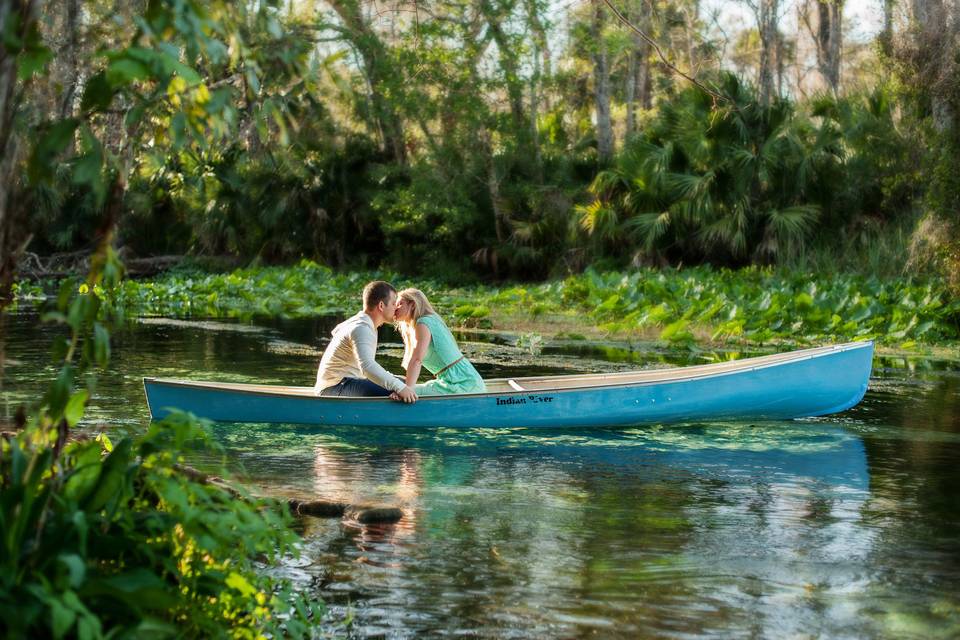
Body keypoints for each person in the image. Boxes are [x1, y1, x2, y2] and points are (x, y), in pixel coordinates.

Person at [315, 281, 418, 403]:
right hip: (334, 388)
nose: (396, 307)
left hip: (344, 383)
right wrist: (399, 388)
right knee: (401, 386)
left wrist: (400, 385)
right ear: (381, 306)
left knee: (404, 383)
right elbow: (367, 367)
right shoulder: (362, 328)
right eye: (393, 303)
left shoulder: (362, 322)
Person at [394, 288, 486, 396]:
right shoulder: (430, 319)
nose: (396, 307)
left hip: (461, 384)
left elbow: (416, 360)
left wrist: (407, 390)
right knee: (396, 384)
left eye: (400, 304)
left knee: (397, 391)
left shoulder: (423, 323)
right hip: (462, 380)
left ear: (413, 304)